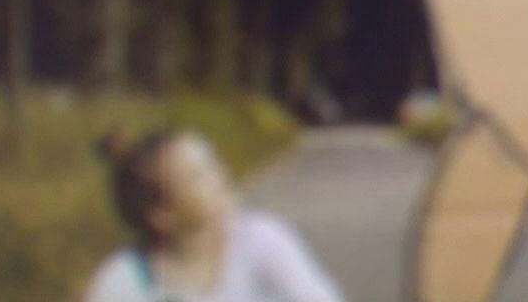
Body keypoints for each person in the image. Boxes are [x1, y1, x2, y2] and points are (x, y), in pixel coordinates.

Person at [83, 127, 345, 302]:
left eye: (214, 163)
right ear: (162, 215)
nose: (220, 176)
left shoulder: (260, 241)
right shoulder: (123, 283)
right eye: (198, 176)